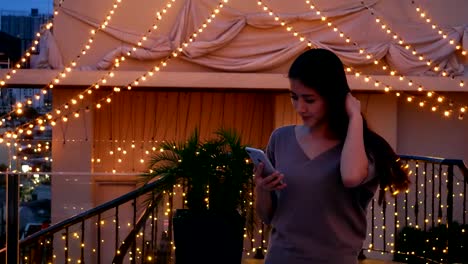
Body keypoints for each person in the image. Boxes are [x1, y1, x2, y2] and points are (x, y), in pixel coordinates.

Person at [254, 48, 410, 264]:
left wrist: (354, 117)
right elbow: (267, 216)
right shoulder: (281, 139)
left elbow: (351, 177)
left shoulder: (364, 148)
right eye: (294, 97)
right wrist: (261, 189)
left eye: (309, 100)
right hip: (281, 257)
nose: (300, 108)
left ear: (333, 98)